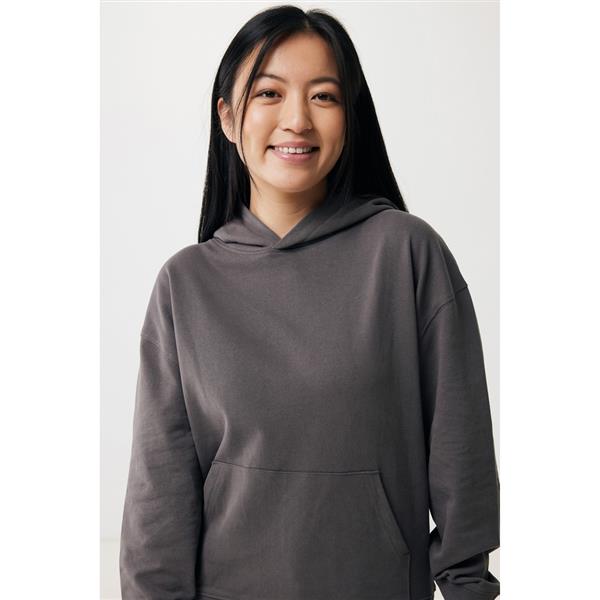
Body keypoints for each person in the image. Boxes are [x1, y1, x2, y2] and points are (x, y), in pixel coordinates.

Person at [119, 5, 500, 600]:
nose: (296, 119)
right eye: (269, 93)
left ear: (350, 117)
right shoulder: (184, 285)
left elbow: (462, 452)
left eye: (324, 96)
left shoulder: (406, 254)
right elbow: (158, 500)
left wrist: (467, 588)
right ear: (228, 117)